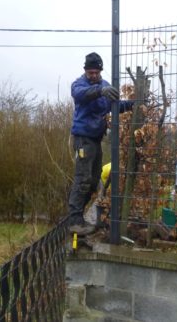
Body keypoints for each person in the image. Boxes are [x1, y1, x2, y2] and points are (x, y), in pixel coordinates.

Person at [68, 53, 133, 235]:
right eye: (90, 72)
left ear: (100, 71)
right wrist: (99, 91)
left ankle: (79, 215)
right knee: (83, 178)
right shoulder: (79, 84)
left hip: (96, 139)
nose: (93, 75)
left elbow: (114, 107)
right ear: (85, 71)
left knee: (94, 178)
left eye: (96, 72)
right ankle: (74, 220)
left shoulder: (105, 86)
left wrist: (130, 105)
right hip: (82, 138)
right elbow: (80, 95)